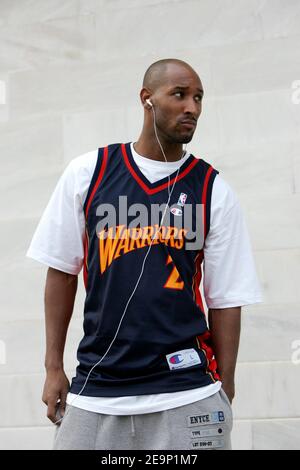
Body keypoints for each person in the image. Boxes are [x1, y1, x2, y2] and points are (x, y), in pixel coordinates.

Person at [26, 58, 262, 451]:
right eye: (180, 95)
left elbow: (227, 299)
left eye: (199, 98)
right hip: (97, 389)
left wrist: (226, 386)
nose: (193, 108)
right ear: (147, 99)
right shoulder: (90, 172)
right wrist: (53, 367)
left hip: (186, 391)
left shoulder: (211, 188)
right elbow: (62, 273)